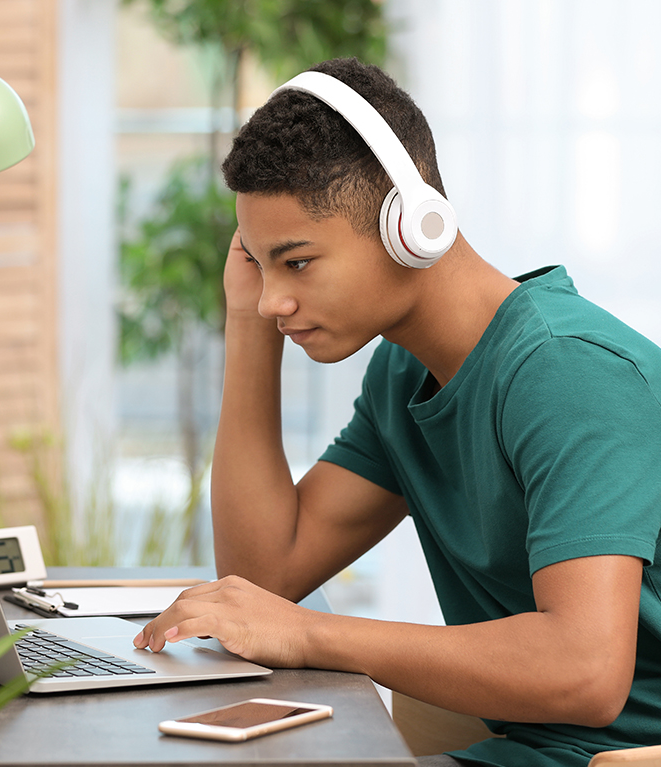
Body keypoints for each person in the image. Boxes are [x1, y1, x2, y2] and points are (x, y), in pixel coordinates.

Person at [133, 57, 661, 767]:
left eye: (296, 262)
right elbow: (264, 574)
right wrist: (247, 328)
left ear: (412, 226)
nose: (272, 298)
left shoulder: (567, 371)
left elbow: (585, 671)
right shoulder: (403, 374)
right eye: (259, 264)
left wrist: (310, 633)